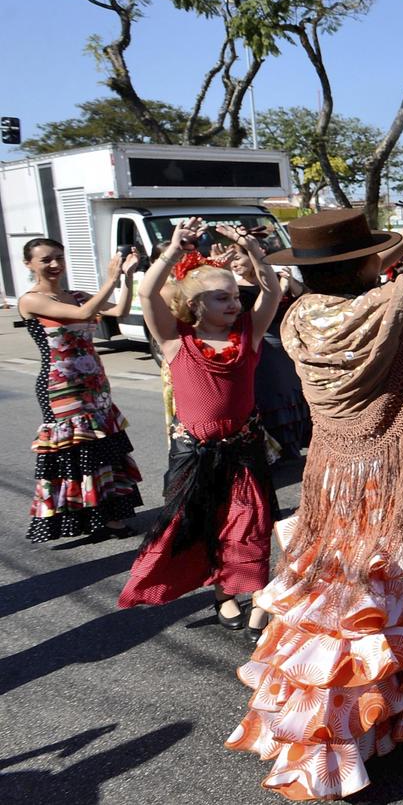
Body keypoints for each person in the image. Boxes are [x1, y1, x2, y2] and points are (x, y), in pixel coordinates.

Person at [226, 199, 403, 801]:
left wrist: (371, 253)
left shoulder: (297, 317)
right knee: (384, 589)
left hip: (327, 472)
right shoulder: (389, 305)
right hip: (386, 471)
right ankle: (384, 719)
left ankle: (334, 729)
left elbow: (353, 276)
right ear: (366, 265)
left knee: (336, 592)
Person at [119, 221, 281, 636]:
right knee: (202, 528)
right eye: (221, 297)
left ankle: (259, 599)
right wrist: (173, 250)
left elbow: (272, 292)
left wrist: (251, 250)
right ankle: (224, 595)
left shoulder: (249, 334)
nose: (233, 303)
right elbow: (146, 293)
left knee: (251, 526)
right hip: (193, 455)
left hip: (244, 452)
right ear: (194, 304)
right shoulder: (176, 341)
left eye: (234, 296)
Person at [17, 239, 143, 542]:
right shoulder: (30, 300)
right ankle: (83, 518)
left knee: (104, 451)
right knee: (78, 453)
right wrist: (110, 279)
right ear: (29, 265)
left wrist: (126, 277)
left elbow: (121, 309)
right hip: (61, 387)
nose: (55, 264)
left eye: (59, 257)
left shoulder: (75, 295)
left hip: (95, 383)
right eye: (46, 259)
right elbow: (86, 313)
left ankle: (109, 518)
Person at [223, 237, 312, 461]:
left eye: (238, 257)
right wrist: (280, 289)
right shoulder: (235, 289)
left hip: (287, 346)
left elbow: (305, 298)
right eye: (231, 259)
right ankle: (273, 449)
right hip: (261, 348)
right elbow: (255, 314)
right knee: (270, 396)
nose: (234, 263)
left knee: (291, 394)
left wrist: (291, 284)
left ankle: (292, 444)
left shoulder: (274, 280)